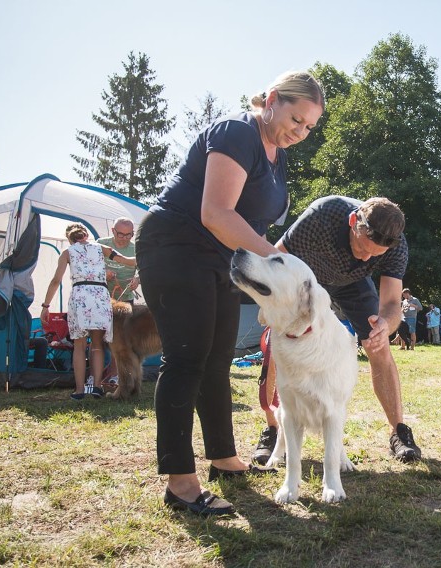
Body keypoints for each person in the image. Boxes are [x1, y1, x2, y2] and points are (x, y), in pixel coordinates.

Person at [135, 70, 325, 516]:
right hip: (175, 246)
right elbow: (216, 213)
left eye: (309, 127)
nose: (300, 132)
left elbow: (251, 224)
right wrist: (279, 263)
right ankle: (180, 484)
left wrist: (269, 262)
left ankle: (224, 459)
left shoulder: (275, 152)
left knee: (218, 360)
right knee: (186, 359)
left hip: (221, 260)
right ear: (273, 99)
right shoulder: (238, 132)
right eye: (296, 119)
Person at [252, 195, 422, 465]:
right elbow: (277, 258)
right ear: (353, 221)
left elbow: (391, 303)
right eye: (362, 248)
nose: (365, 257)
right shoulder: (322, 215)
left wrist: (384, 327)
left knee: (378, 344)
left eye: (373, 256)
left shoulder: (396, 244)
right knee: (278, 339)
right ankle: (273, 430)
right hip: (307, 280)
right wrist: (274, 307)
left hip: (352, 284)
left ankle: (399, 431)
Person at [40, 223, 136, 400]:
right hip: (100, 296)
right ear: (86, 235)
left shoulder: (67, 253)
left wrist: (46, 306)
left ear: (70, 238)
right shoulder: (102, 248)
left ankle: (79, 390)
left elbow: (55, 281)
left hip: (80, 296)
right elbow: (127, 261)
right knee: (98, 345)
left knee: (79, 345)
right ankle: (97, 387)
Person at [97, 218, 139, 303]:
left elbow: (142, 269)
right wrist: (103, 272)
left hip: (126, 298)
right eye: (121, 234)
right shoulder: (101, 244)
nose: (124, 238)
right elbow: (90, 265)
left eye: (128, 235)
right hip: (101, 296)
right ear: (113, 231)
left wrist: (137, 279)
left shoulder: (136, 249)